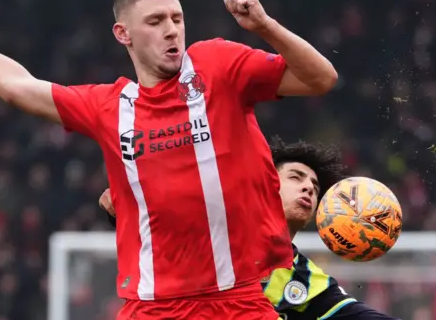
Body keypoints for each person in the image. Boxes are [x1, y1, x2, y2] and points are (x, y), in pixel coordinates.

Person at [0, 0, 337, 319]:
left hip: (239, 302)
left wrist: (264, 26)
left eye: (177, 18)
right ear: (122, 33)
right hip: (153, 308)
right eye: (155, 21)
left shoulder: (218, 65)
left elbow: (321, 79)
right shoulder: (109, 107)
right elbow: (15, 85)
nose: (172, 31)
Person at [100, 136, 399, 320]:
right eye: (296, 177)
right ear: (266, 182)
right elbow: (113, 202)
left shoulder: (305, 277)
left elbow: (354, 315)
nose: (308, 188)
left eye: (315, 186)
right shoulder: (215, 227)